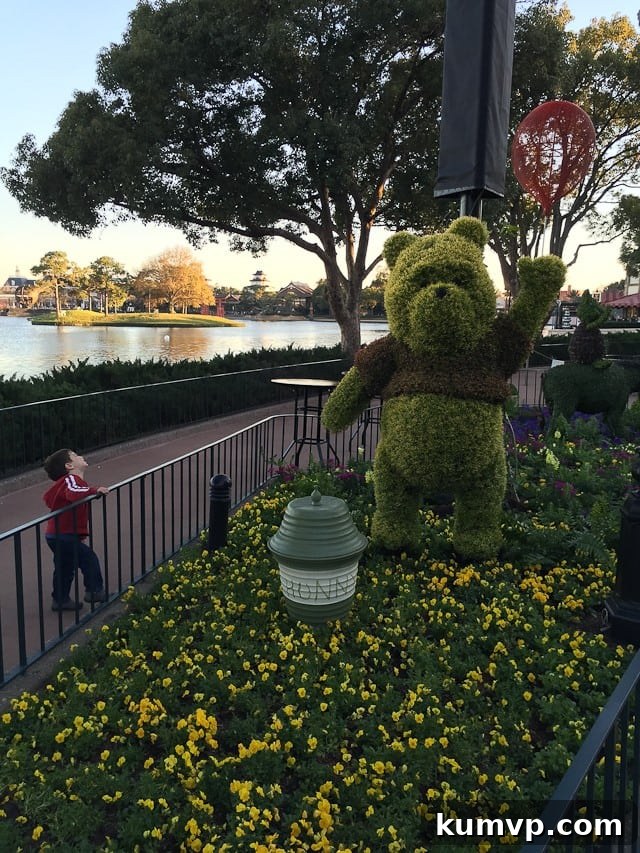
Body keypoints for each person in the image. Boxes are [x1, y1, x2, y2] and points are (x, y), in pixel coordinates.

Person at [43, 449, 110, 611]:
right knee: (88, 558)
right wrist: (95, 490)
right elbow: (73, 493)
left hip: (57, 533)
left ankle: (60, 599)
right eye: (75, 455)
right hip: (63, 534)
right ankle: (94, 591)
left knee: (65, 566)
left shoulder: (72, 481)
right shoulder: (71, 479)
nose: (80, 456)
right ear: (69, 465)